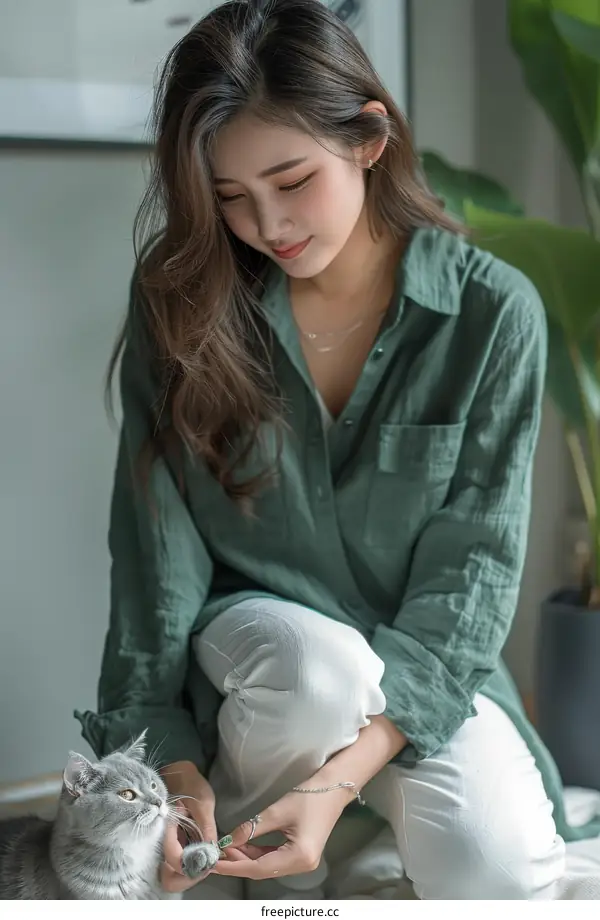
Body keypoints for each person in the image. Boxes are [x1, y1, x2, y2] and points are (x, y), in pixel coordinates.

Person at [75, 0, 599, 900]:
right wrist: (173, 761)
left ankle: (343, 830)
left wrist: (339, 781)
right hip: (261, 660)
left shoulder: (490, 314)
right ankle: (263, 864)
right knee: (319, 669)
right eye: (230, 196)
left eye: (292, 180)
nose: (266, 223)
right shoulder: (181, 300)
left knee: (503, 872)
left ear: (369, 140)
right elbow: (156, 556)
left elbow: (470, 571)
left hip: (418, 668)